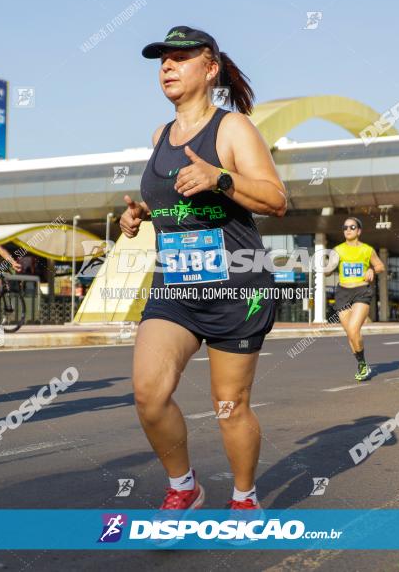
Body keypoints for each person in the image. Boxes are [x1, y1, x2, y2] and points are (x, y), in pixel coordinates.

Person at [122, 26, 286, 514]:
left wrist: (221, 178)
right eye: (162, 60)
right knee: (149, 394)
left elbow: (277, 199)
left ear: (210, 68)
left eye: (179, 58)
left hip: (237, 287)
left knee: (229, 405)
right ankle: (184, 486)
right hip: (175, 287)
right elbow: (173, 202)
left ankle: (244, 497)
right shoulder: (159, 137)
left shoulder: (232, 129)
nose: (167, 67)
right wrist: (139, 215)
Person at [326, 217, 385, 380]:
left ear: (359, 231)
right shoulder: (337, 250)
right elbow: (328, 271)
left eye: (352, 227)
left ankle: (362, 365)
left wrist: (373, 270)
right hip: (343, 292)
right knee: (350, 334)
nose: (348, 230)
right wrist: (326, 268)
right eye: (345, 227)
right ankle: (362, 363)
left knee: (353, 329)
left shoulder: (367, 249)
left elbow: (381, 266)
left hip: (362, 290)